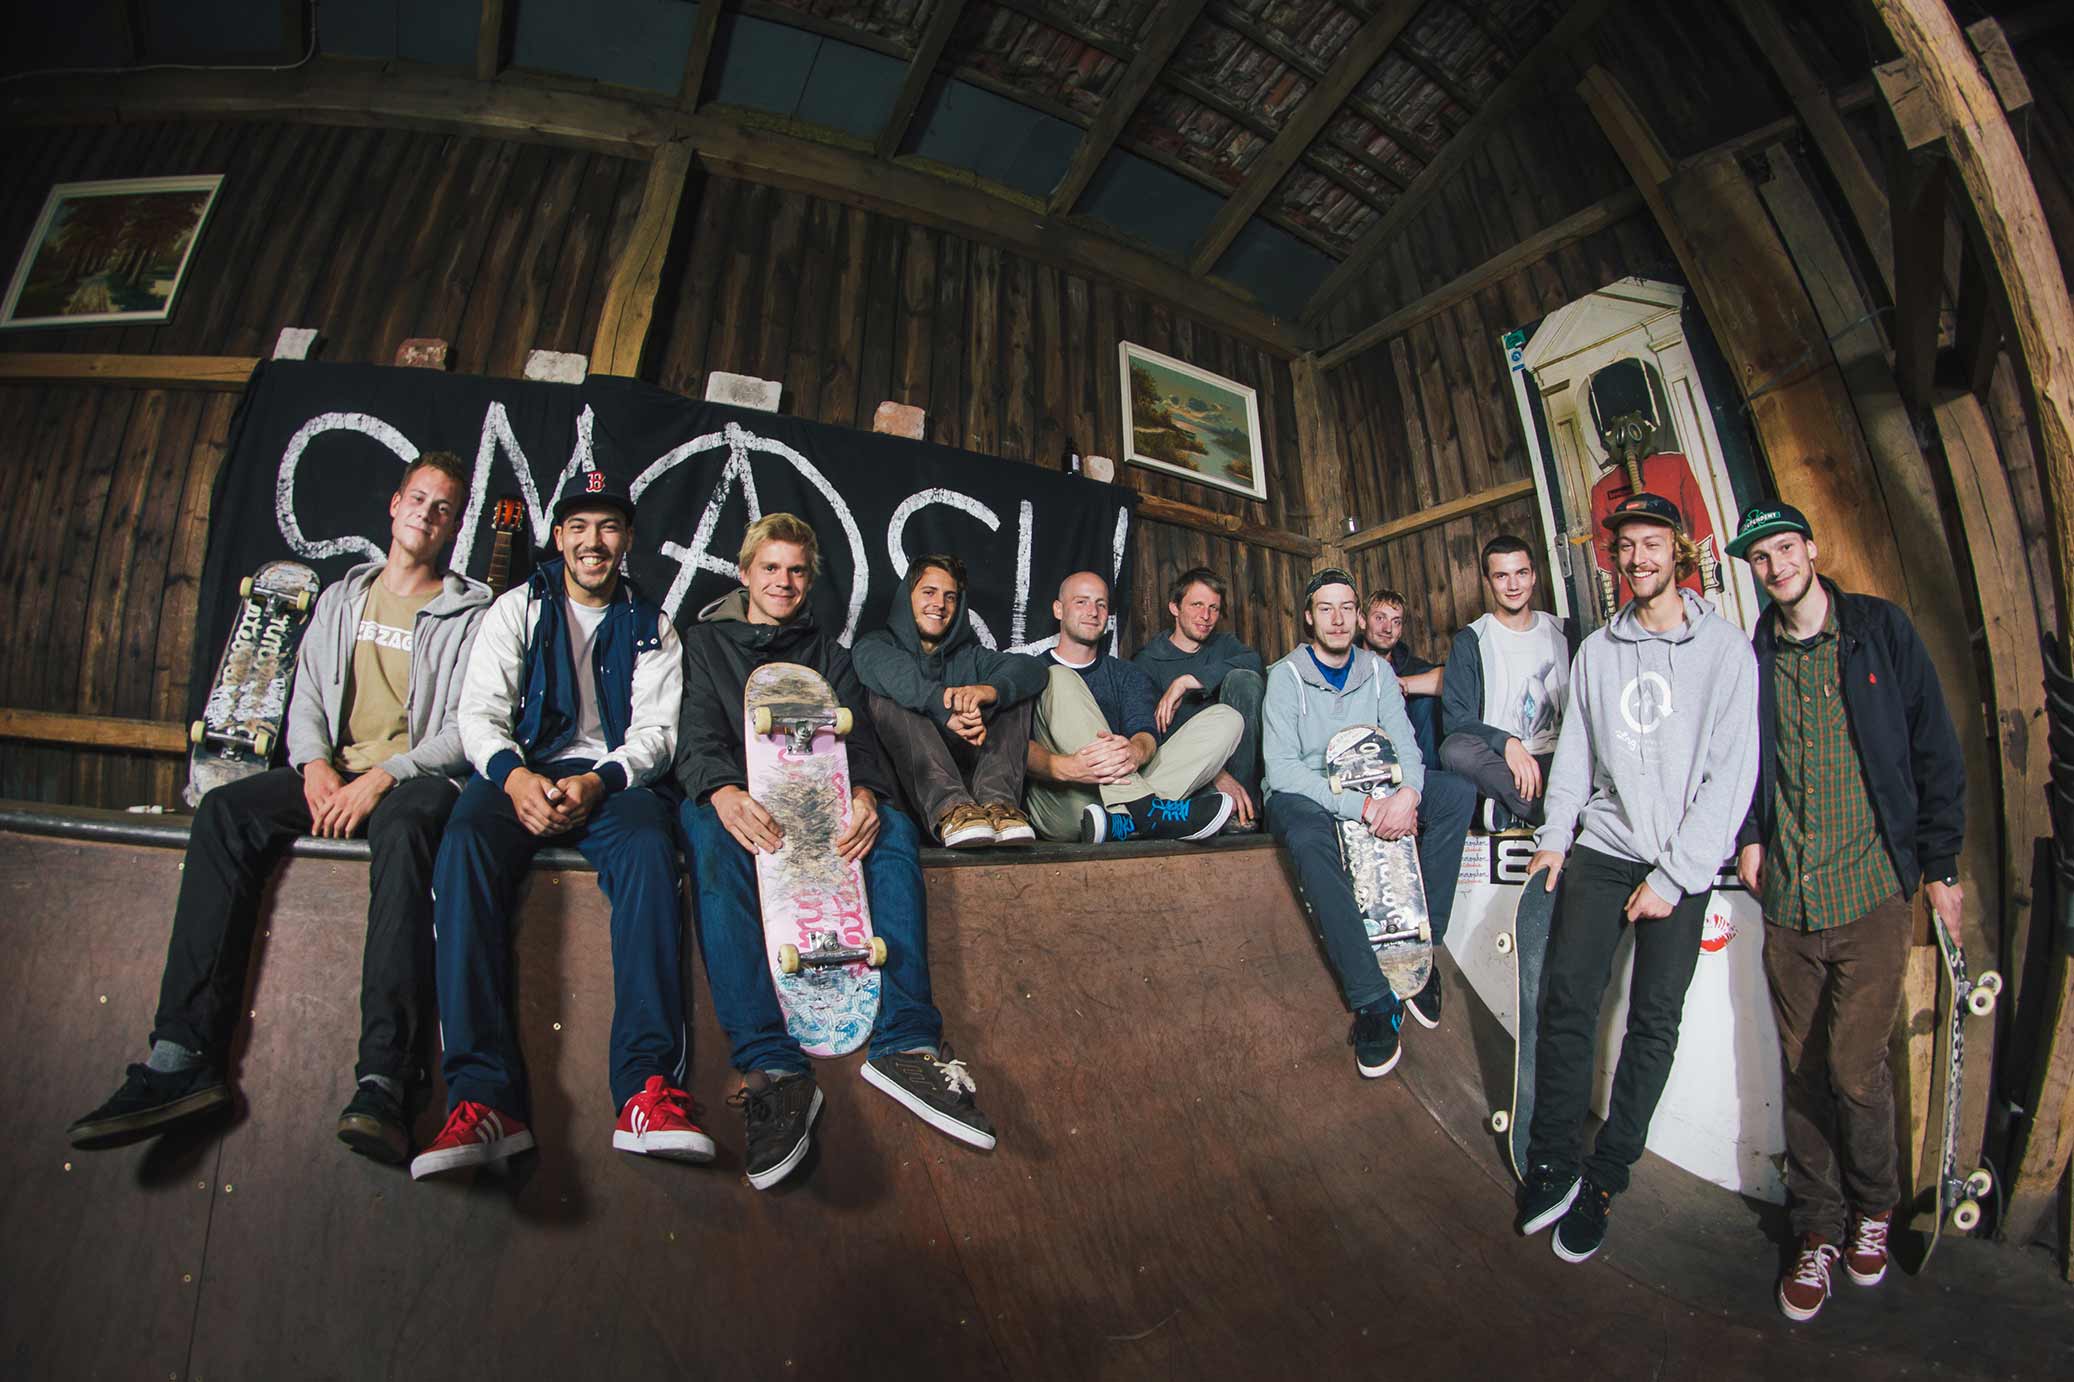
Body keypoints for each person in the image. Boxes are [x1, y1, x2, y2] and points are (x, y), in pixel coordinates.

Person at [68, 452, 490, 1165]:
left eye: (443, 507)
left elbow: (462, 731)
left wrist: (383, 776)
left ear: (454, 526)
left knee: (408, 831)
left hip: (411, 779)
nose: (426, 513)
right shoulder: (342, 595)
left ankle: (386, 1078)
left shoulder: (470, 612)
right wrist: (316, 763)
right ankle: (182, 1058)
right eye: (418, 499)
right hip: (333, 770)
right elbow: (308, 701)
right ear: (394, 506)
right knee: (225, 814)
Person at [674, 514, 995, 1191]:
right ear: (745, 573)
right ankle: (773, 1069)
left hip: (818, 803)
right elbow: (696, 734)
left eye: (795, 571)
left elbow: (864, 750)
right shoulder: (704, 644)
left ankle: (905, 1042)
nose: (783, 582)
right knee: (707, 836)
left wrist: (871, 797)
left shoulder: (832, 655)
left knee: (898, 834)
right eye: (770, 568)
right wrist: (723, 791)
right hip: (741, 799)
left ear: (809, 580)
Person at [410, 470, 708, 1180]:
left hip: (609, 782)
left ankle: (645, 1093)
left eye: (607, 527)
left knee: (647, 848)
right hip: (522, 771)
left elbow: (658, 734)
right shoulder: (516, 607)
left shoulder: (653, 624)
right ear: (558, 536)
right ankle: (485, 1102)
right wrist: (515, 778)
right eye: (578, 526)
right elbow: (478, 714)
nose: (592, 541)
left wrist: (597, 780)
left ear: (627, 539)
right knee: (464, 845)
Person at [1725, 502, 1966, 1323]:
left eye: (1784, 549)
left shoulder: (1876, 631)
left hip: (1870, 894)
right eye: (1759, 558)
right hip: (1789, 902)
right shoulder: (1752, 653)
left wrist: (1940, 865)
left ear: (1812, 551)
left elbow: (1933, 742)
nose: (1774, 566)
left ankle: (1874, 1211)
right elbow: (1742, 760)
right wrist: (1751, 837)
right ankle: (1818, 1233)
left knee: (1853, 1071)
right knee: (1801, 1074)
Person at [1515, 493, 1758, 1265]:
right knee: (1567, 1000)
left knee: (1654, 1022)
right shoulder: (1598, 652)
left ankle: (1605, 1177)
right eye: (1627, 546)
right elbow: (1577, 759)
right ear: (1611, 556)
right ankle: (1553, 1158)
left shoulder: (1725, 651)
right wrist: (1556, 840)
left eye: (1654, 544)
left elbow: (1731, 777)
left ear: (1677, 553)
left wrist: (1676, 874)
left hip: (1678, 863)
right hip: (1606, 847)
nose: (1639, 558)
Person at [1262, 568, 1476, 1078]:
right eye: (1325, 608)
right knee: (1310, 839)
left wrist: (1409, 795)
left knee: (1457, 795)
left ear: (1358, 617)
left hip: (1376, 782)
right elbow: (1283, 768)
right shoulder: (1285, 676)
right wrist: (1359, 809)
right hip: (1308, 790)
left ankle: (1421, 949)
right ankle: (1373, 1001)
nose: (1337, 619)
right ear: (1310, 617)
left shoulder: (1377, 672)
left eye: (1346, 608)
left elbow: (1405, 743)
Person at [1024, 570, 1235, 843]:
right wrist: (1063, 766)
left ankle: (1126, 821)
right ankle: (1146, 812)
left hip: (1118, 801)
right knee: (1059, 677)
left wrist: (1135, 751)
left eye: (1101, 604)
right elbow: (1016, 748)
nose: (1093, 611)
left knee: (1227, 718)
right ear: (1058, 609)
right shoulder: (1030, 671)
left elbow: (1146, 733)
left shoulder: (1127, 674)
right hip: (1068, 803)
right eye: (1081, 602)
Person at [852, 554, 1045, 848]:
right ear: (907, 598)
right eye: (929, 592)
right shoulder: (876, 645)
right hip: (909, 797)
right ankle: (951, 810)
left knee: (1013, 694)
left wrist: (988, 692)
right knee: (889, 695)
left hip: (978, 804)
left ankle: (999, 807)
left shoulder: (971, 656)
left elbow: (1033, 670)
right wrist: (945, 707)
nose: (940, 604)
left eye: (950, 597)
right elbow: (894, 674)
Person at [1440, 536, 1571, 833]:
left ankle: (1515, 810)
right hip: (1502, 765)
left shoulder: (1564, 632)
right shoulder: (1471, 640)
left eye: (1521, 573)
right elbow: (1457, 720)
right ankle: (1554, 815)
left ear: (1534, 575)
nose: (1513, 586)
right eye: (1502, 576)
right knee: (1455, 750)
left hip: (1561, 760)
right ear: (1488, 581)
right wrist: (1506, 742)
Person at [1133, 566, 1264, 829]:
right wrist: (1216, 774)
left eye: (1214, 608)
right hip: (1188, 771)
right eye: (1196, 605)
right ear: (1174, 607)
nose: (1206, 616)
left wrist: (1187, 681)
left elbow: (1254, 661)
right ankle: (1216, 808)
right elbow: (1155, 734)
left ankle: (1243, 813)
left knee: (1245, 679)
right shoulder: (1148, 661)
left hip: (1237, 766)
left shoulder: (1223, 645)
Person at [1361, 589, 1443, 766]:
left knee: (1425, 700)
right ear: (1362, 620)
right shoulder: (1346, 661)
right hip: (1363, 754)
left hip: (1414, 757)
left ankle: (1428, 780)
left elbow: (1446, 679)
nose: (1387, 628)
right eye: (1380, 618)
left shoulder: (1407, 664)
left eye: (1395, 622)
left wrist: (1402, 683)